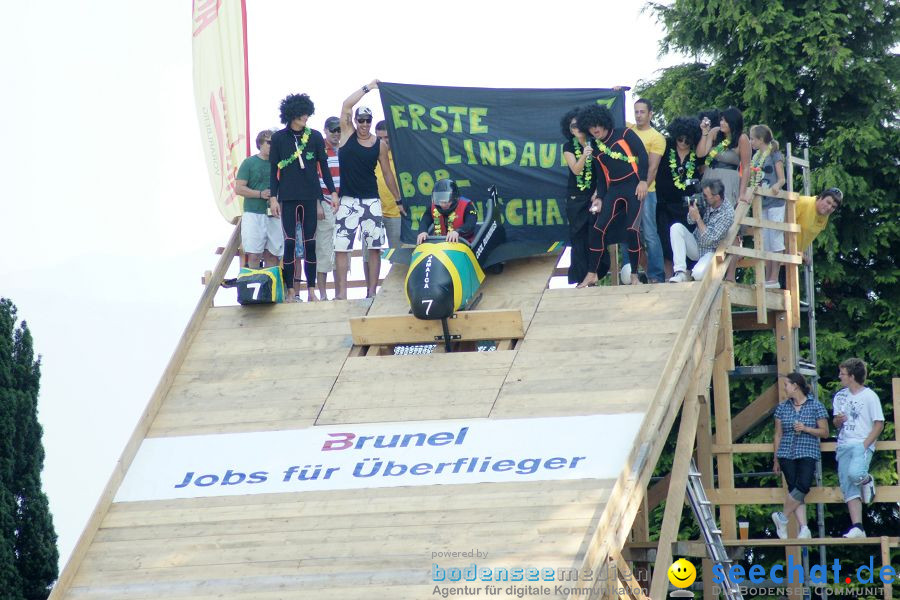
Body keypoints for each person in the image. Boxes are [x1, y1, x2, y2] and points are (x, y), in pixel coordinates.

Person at [335, 80, 403, 299]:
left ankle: (371, 291)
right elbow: (346, 104)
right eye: (361, 120)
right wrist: (368, 88)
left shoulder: (378, 144)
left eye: (368, 120)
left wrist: (398, 200)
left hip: (371, 200)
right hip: (348, 199)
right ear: (355, 121)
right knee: (341, 247)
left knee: (374, 246)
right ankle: (342, 293)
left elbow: (387, 173)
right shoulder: (347, 134)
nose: (364, 124)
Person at [269, 93, 338, 302]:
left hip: (310, 196)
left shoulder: (315, 136)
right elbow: (274, 171)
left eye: (308, 113)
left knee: (310, 243)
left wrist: (333, 192)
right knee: (289, 243)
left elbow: (324, 167)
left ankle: (311, 290)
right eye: (302, 113)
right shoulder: (279, 138)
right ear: (292, 114)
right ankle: (290, 291)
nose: (306, 117)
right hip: (288, 197)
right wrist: (273, 198)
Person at [575, 105, 649, 288]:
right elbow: (601, 177)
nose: (595, 129)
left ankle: (634, 276)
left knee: (632, 230)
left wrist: (643, 180)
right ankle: (592, 274)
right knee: (597, 228)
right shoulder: (596, 147)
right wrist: (599, 197)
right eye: (590, 127)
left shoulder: (624, 134)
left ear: (604, 121)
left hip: (634, 187)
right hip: (614, 190)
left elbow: (643, 155)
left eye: (597, 124)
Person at [770, 372, 829, 540]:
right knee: (794, 489)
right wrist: (776, 459)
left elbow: (825, 432)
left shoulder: (815, 406)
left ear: (795, 386)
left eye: (786, 385)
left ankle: (783, 517)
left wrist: (806, 428)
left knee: (802, 485)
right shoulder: (782, 407)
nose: (785, 389)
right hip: (786, 453)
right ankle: (804, 528)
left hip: (807, 451)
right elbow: (778, 434)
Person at [832, 357, 884, 538]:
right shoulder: (840, 396)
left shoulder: (870, 396)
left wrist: (865, 445)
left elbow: (879, 424)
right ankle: (858, 527)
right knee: (848, 486)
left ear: (852, 376)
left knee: (855, 474)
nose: (840, 376)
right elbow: (836, 424)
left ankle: (867, 480)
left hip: (862, 442)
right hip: (844, 443)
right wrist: (837, 421)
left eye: (843, 373)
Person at [560, 107, 606, 284]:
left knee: (594, 235)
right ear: (569, 129)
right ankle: (580, 279)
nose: (576, 128)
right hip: (575, 199)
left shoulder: (595, 142)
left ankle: (595, 274)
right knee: (578, 238)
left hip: (594, 197)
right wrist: (585, 156)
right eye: (572, 126)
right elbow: (577, 170)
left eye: (579, 124)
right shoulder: (568, 146)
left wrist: (598, 193)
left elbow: (603, 171)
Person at [654, 116, 701, 279]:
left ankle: (687, 274)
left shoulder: (697, 154)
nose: (683, 142)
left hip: (686, 206)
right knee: (665, 241)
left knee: (686, 238)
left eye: (688, 140)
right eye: (680, 138)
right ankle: (668, 276)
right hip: (664, 204)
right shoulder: (666, 147)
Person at [363, 120, 407, 290]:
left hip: (396, 211)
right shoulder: (369, 152)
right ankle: (370, 291)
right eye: (380, 137)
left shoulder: (401, 154)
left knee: (398, 254)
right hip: (371, 210)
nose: (383, 141)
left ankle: (396, 290)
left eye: (387, 137)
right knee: (368, 254)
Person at [628, 99, 667, 283]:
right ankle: (632, 273)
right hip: (626, 190)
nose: (638, 115)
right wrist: (617, 93)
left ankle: (657, 276)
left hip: (647, 191)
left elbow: (653, 167)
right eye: (636, 111)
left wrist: (643, 185)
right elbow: (612, 115)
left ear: (650, 114)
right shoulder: (628, 130)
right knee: (628, 233)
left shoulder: (657, 137)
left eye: (642, 112)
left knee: (650, 233)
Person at [742, 125, 785, 288]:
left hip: (775, 203)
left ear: (761, 139)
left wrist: (777, 186)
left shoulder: (774, 154)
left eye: (752, 139)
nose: (751, 142)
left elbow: (781, 178)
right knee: (765, 240)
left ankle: (774, 278)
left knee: (775, 238)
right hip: (762, 204)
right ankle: (767, 278)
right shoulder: (757, 157)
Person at [668, 178, 735, 282]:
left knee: (698, 275)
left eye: (706, 196)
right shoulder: (706, 201)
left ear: (717, 197)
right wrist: (692, 211)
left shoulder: (727, 213)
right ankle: (680, 272)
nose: (703, 198)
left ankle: (691, 274)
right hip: (696, 244)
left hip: (712, 251)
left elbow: (710, 239)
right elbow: (690, 221)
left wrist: (698, 218)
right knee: (676, 227)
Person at [236, 130, 283, 269]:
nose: (272, 145)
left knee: (273, 254)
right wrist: (260, 194)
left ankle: (269, 289)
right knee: (254, 254)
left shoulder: (281, 164)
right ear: (260, 143)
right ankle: (255, 284)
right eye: (269, 142)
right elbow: (239, 188)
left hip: (275, 213)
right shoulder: (249, 163)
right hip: (253, 212)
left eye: (275, 142)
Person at [697, 107, 751, 206]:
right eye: (721, 120)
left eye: (726, 121)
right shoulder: (715, 132)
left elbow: (746, 167)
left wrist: (742, 193)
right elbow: (701, 153)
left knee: (723, 212)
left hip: (728, 180)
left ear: (733, 123)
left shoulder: (742, 138)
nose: (722, 123)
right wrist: (705, 132)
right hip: (710, 176)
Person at [315, 116, 342, 301]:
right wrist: (317, 202)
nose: (336, 133)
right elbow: (313, 178)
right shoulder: (319, 149)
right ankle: (323, 294)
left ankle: (340, 294)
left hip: (343, 203)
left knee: (341, 250)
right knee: (323, 249)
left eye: (339, 129)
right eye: (332, 129)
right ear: (325, 130)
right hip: (324, 202)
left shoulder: (344, 150)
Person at [415, 179, 478, 244]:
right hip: (438, 245)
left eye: (446, 199)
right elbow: (425, 220)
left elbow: (471, 223)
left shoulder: (467, 206)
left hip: (462, 244)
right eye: (439, 199)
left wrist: (457, 232)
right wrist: (422, 231)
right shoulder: (433, 207)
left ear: (454, 197)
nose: (443, 204)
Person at [796, 187, 842, 256]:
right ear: (821, 197)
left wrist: (800, 253)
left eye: (833, 207)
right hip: (780, 252)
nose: (829, 207)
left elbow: (806, 237)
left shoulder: (825, 216)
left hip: (793, 257)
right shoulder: (803, 202)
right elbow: (783, 225)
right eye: (828, 202)